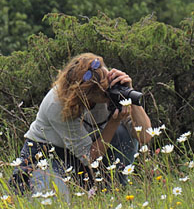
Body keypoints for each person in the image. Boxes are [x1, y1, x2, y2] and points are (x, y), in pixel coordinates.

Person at [10, 53, 152, 198]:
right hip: (48, 155)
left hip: (84, 155)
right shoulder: (58, 104)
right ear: (85, 95)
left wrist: (129, 96)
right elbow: (89, 157)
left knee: (123, 134)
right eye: (104, 94)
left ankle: (115, 190)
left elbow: (145, 136)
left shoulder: (107, 83)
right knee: (55, 200)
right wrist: (114, 122)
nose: (109, 95)